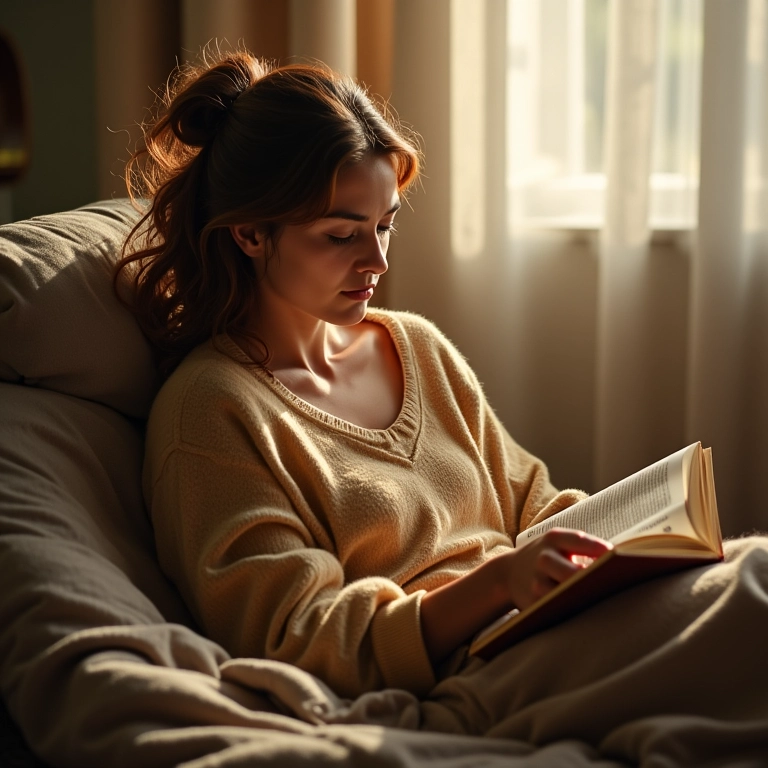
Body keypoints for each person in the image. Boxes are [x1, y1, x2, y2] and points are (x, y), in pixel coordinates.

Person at [117, 52, 768, 744]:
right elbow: (298, 636)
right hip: (471, 676)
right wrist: (492, 587)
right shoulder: (211, 411)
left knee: (749, 567)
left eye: (385, 225)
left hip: (549, 623)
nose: (377, 262)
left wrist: (631, 546)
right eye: (342, 235)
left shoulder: (414, 347)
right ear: (250, 234)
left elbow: (533, 504)